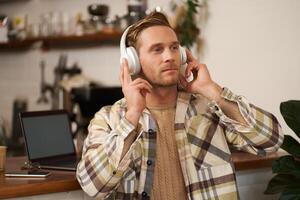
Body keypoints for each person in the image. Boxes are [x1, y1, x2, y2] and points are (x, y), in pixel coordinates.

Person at [76, 12, 283, 200]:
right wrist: (132, 116)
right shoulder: (108, 119)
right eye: (157, 50)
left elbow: (271, 140)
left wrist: (212, 90)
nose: (169, 57)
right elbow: (93, 187)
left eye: (174, 48)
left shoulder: (208, 110)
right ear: (132, 63)